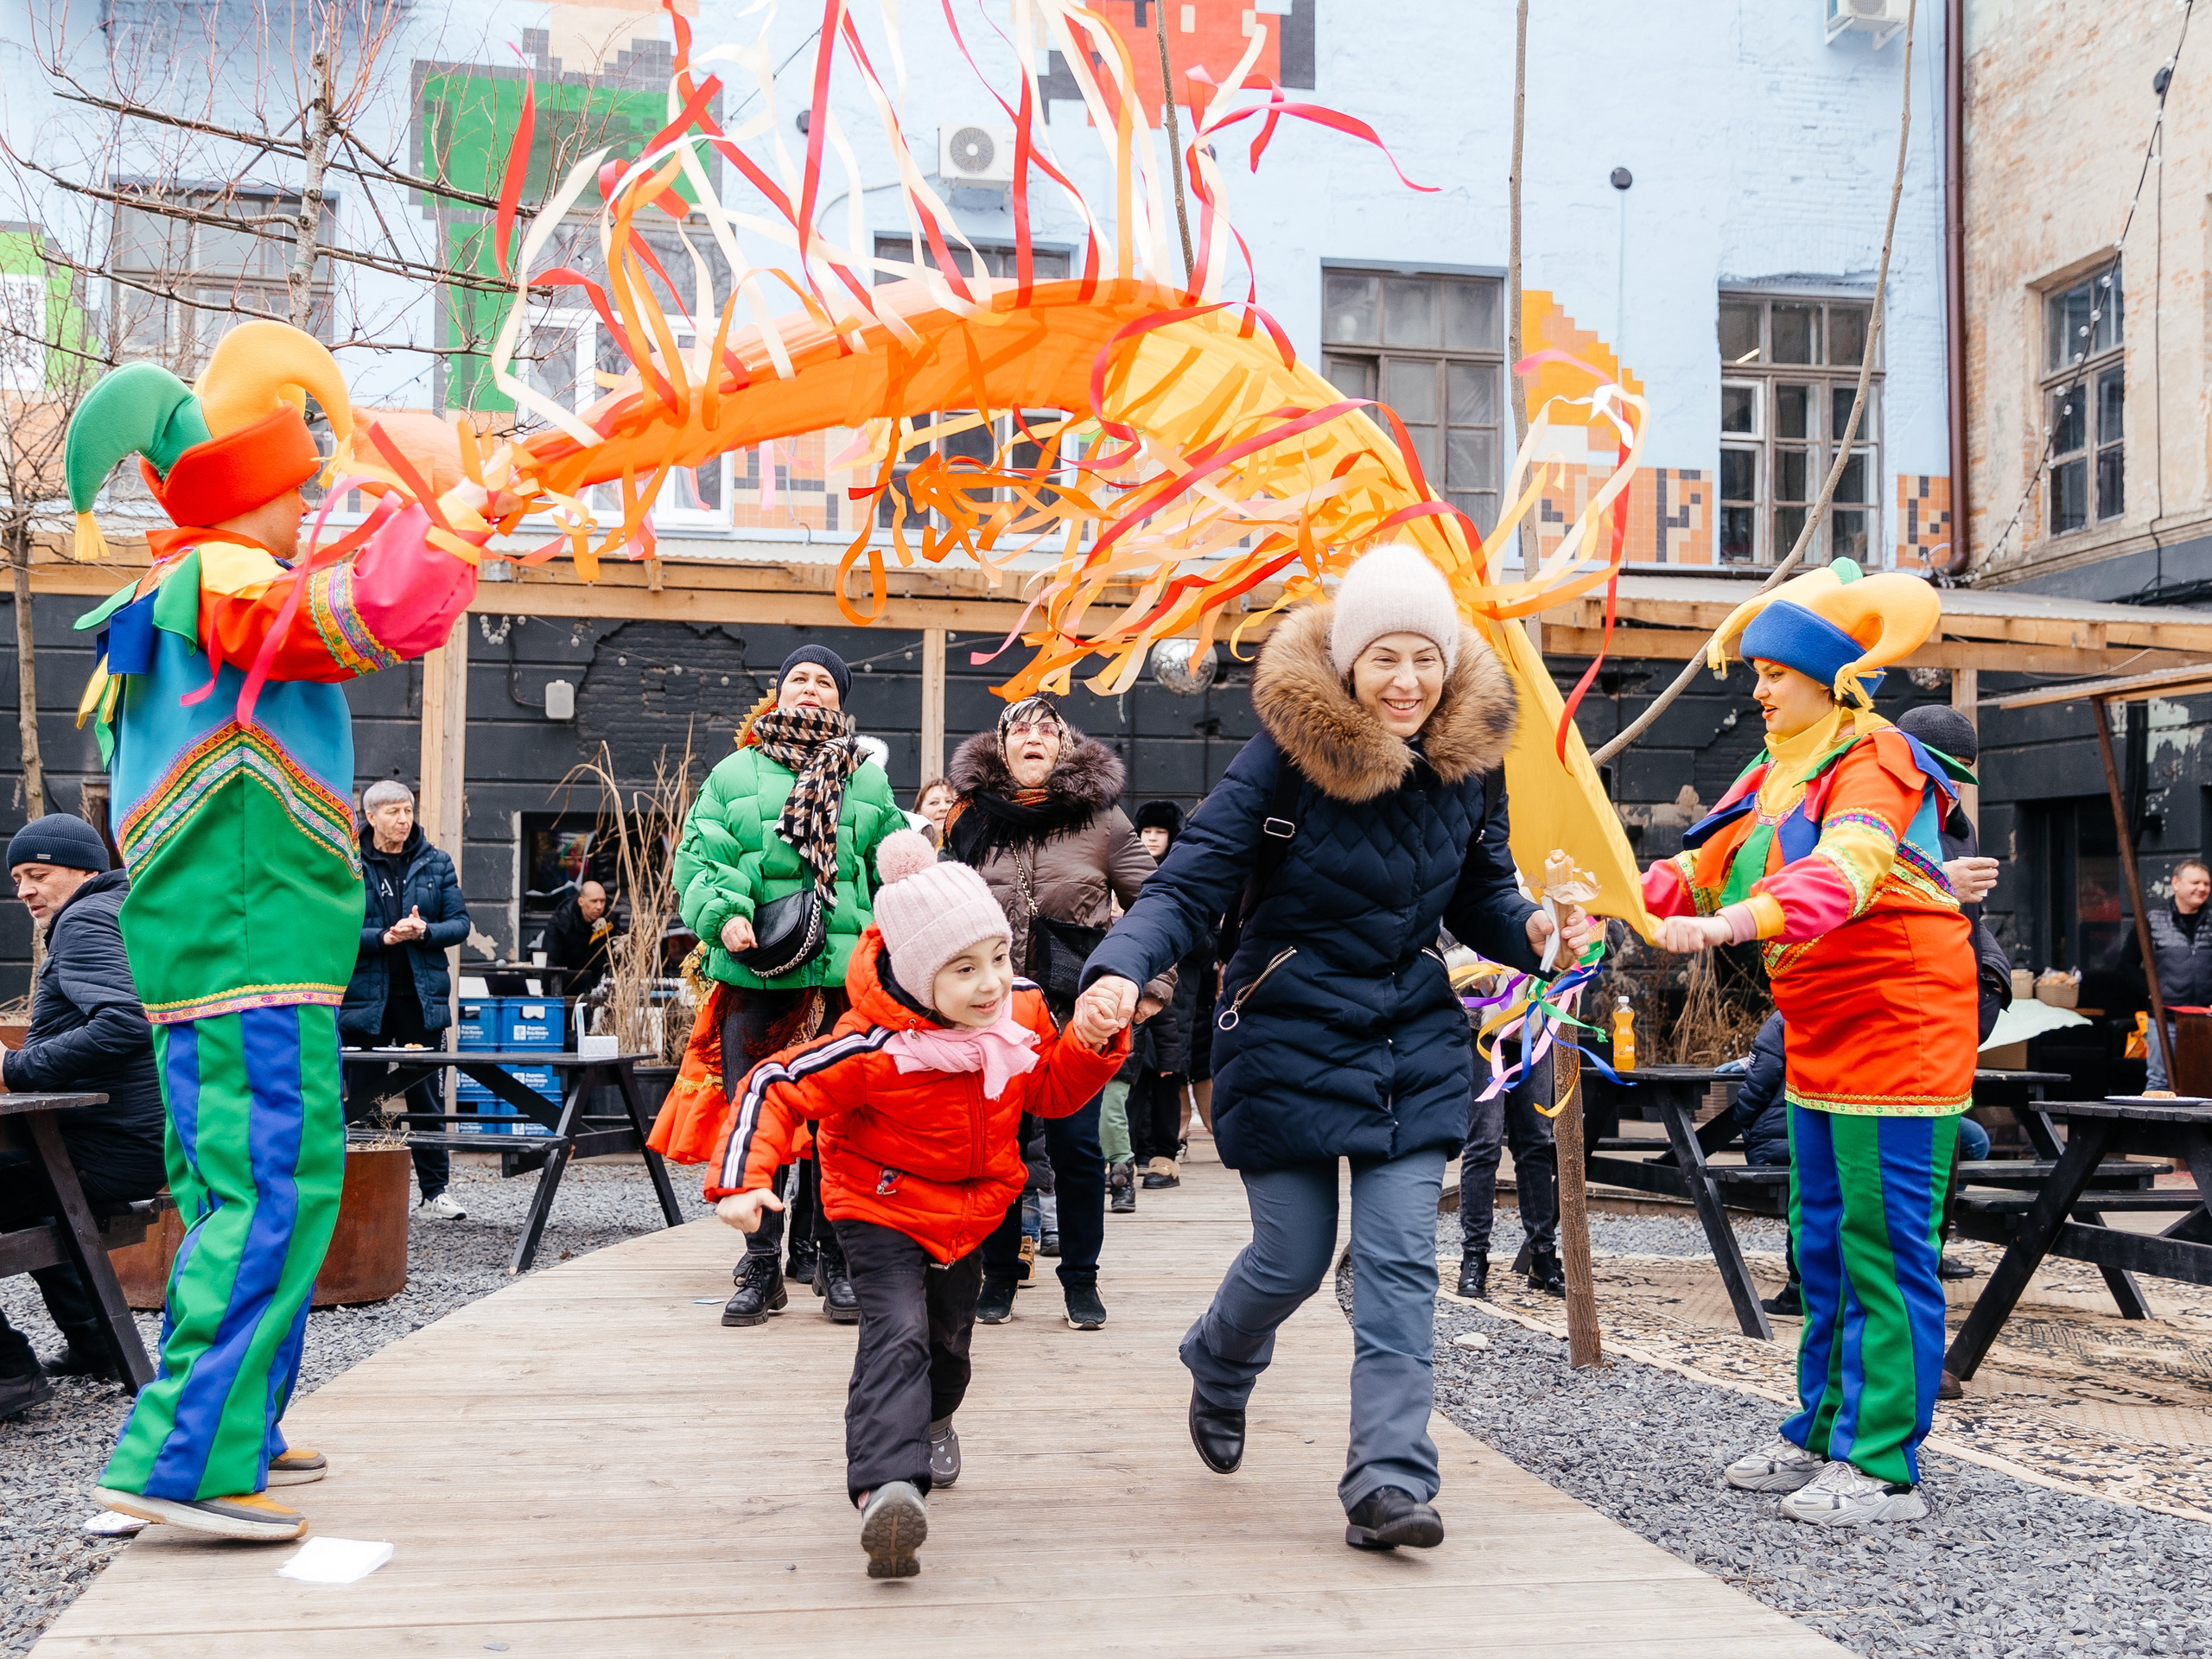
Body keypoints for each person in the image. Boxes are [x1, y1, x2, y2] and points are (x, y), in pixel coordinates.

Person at [1076, 546, 1598, 1551]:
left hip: (1407, 1032)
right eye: (1383, 659)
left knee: (1401, 1260)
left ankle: (1388, 1483)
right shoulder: (1283, 754)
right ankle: (1218, 1361)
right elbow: (1187, 886)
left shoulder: (1470, 765)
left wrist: (1534, 930)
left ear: (1448, 665)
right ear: (1349, 665)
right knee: (1292, 1258)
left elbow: (1483, 892)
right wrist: (1116, 967)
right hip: (1284, 1029)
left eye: (1424, 660)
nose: (1405, 682)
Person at [67, 321, 490, 1540]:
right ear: (245, 492)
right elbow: (360, 618)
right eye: (298, 486)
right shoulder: (218, 579)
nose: (312, 503)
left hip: (229, 949)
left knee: (247, 1194)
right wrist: (455, 516)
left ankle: (237, 1424)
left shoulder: (171, 592)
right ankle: (179, 1461)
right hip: (249, 952)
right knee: (268, 1195)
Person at [1644, 560, 1971, 1528]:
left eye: (1772, 673)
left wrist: (1736, 922)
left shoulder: (1878, 757)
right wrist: (1600, 899)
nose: (1755, 689)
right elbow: (1694, 869)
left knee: (1882, 1248)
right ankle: (1823, 1431)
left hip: (1898, 1027)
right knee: (1818, 1241)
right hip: (1820, 1029)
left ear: (1828, 678)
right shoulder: (1776, 769)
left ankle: (1883, 1467)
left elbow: (1852, 866)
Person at [710, 831, 1126, 1579]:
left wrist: (1094, 1041)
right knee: (895, 1333)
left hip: (974, 1210)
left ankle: (934, 1418)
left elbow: (1054, 1091)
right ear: (916, 974)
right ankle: (887, 1489)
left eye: (998, 958)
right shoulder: (870, 1048)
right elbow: (775, 1087)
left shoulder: (1021, 1015)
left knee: (946, 1347)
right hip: (878, 1204)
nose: (992, 983)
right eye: (963, 970)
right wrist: (744, 1180)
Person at [671, 645, 903, 1328]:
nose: (809, 687)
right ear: (777, 692)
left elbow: (890, 870)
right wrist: (725, 914)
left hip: (843, 985)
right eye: (797, 677)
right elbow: (700, 853)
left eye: (824, 680)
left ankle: (835, 1262)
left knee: (840, 1126)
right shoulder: (734, 771)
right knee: (758, 1115)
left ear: (840, 699)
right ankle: (761, 1264)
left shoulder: (868, 780)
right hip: (758, 974)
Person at [943, 695, 1169, 1331]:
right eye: (1022, 729)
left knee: (1076, 1149)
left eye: (1048, 729)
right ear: (1003, 744)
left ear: (1064, 746)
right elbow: (938, 907)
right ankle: (1000, 1277)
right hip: (989, 1016)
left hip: (1075, 1016)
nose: (1034, 737)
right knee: (997, 1151)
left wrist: (1153, 984)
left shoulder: (1102, 819)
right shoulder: (970, 820)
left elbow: (1157, 904)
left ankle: (1081, 1280)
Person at [0, 815, 165, 1417]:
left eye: (37, 874)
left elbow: (124, 1023)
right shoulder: (119, 912)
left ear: (85, 871)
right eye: (18, 878)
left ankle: (8, 1373)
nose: (24, 890)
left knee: (39, 1193)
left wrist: (15, 1066)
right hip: (123, 1144)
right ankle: (96, 1344)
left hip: (103, 1151)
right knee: (39, 1204)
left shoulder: (88, 918)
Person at [340, 781, 472, 1218]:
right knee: (363, 1094)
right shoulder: (348, 864)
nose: (403, 819)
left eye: (408, 810)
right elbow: (333, 930)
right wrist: (381, 937)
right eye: (394, 811)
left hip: (421, 999)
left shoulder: (436, 862)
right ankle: (365, 1193)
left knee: (426, 1097)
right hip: (364, 999)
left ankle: (435, 1192)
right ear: (371, 816)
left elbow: (460, 924)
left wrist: (425, 932)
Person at [1123, 801, 1205, 1192]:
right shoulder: (1124, 869)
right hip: (1136, 978)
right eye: (1147, 831)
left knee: (1167, 1071)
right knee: (1134, 1067)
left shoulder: (1187, 873)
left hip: (1180, 988)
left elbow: (1209, 941)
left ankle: (1164, 1154)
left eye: (1160, 831)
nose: (1152, 838)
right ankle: (1137, 1149)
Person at [1455, 1056, 1560, 1300]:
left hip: (1537, 1029)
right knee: (1484, 1143)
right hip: (1483, 1027)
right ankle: (1474, 1256)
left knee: (1536, 1143)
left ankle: (1543, 1256)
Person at [2121, 859, 2212, 1093]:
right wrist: (2150, 991)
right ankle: (2159, 1132)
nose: (2202, 888)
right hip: (2165, 1019)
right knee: (2159, 1084)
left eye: (2206, 883)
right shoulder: (2152, 920)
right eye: (2195, 882)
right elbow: (2126, 966)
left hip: (2207, 1019)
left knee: (2205, 1083)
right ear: (2176, 884)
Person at [543, 879, 615, 998]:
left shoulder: (609, 920)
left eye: (602, 901)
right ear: (581, 901)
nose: (599, 906)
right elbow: (550, 959)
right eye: (594, 901)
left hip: (598, 985)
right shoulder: (562, 921)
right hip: (565, 985)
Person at [913, 779, 956, 847]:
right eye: (934, 802)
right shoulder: (906, 848)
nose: (943, 808)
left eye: (949, 801)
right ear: (918, 812)